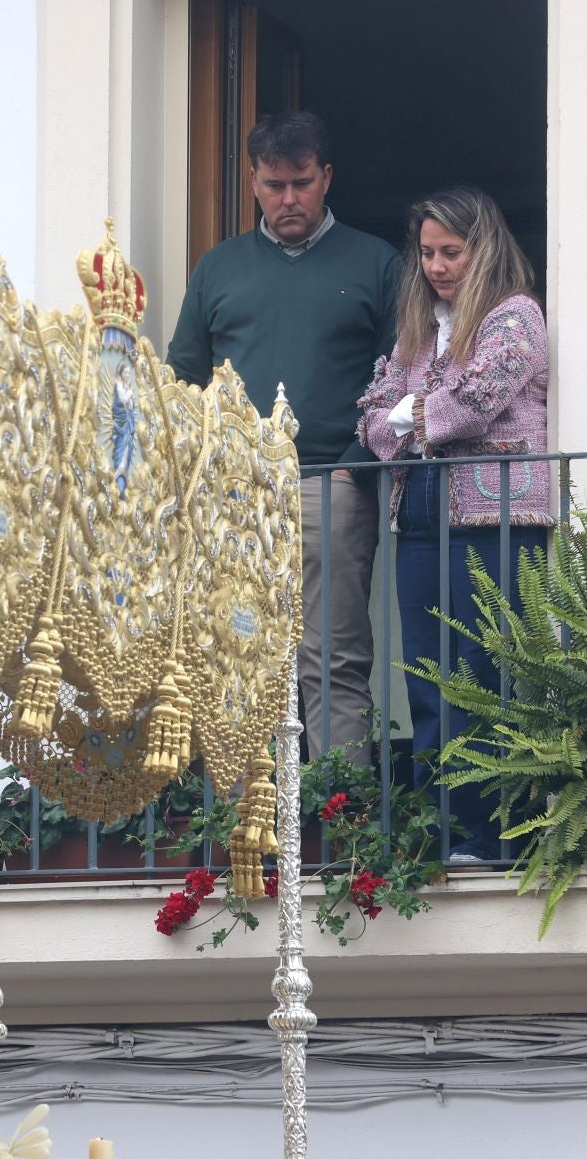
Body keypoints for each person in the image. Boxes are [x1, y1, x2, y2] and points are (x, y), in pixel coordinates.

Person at [168, 110, 400, 760]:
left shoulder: (376, 262)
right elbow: (183, 378)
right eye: (274, 185)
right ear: (252, 183)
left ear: (326, 177)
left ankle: (341, 810)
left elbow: (402, 373)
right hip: (232, 489)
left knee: (333, 656)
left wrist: (356, 464)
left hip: (331, 480)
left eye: (301, 183)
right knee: (237, 658)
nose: (288, 199)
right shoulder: (218, 268)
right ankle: (243, 810)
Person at [356, 186, 553, 863]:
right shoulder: (418, 327)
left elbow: (478, 398)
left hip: (494, 511)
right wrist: (408, 417)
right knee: (427, 673)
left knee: (482, 668)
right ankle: (438, 829)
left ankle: (488, 834)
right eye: (427, 252)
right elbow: (371, 416)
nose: (436, 266)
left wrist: (411, 416)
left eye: (451, 252)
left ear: (483, 248)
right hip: (418, 509)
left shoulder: (515, 315)